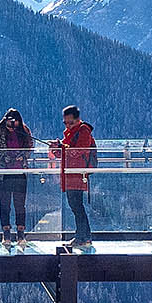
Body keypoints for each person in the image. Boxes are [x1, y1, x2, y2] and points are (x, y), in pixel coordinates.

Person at [49, 104, 97, 248]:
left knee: (77, 207)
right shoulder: (71, 133)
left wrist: (61, 147)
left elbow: (79, 151)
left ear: (78, 120)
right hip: (70, 174)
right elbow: (65, 153)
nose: (68, 125)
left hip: (77, 175)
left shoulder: (83, 132)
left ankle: (82, 237)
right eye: (65, 123)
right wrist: (58, 147)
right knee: (76, 206)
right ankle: (84, 237)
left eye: (70, 122)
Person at [0, 108, 34, 247]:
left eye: (15, 123)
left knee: (20, 205)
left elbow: (30, 146)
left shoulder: (24, 131)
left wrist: (23, 156)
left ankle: (20, 234)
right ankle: (6, 233)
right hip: (3, 173)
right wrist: (2, 157)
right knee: (4, 204)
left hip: (20, 172)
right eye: (10, 123)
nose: (13, 127)